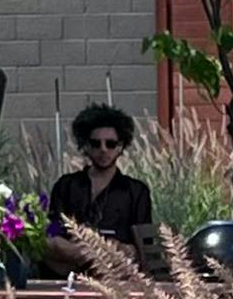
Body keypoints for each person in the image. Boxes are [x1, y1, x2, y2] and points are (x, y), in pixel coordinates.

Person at [42, 104, 159, 259]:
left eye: (110, 144)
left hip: (118, 270)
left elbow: (144, 247)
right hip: (69, 268)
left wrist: (119, 250)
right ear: (86, 146)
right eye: (95, 144)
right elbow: (53, 235)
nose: (103, 150)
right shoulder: (66, 186)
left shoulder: (136, 191)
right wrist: (86, 252)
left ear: (120, 147)